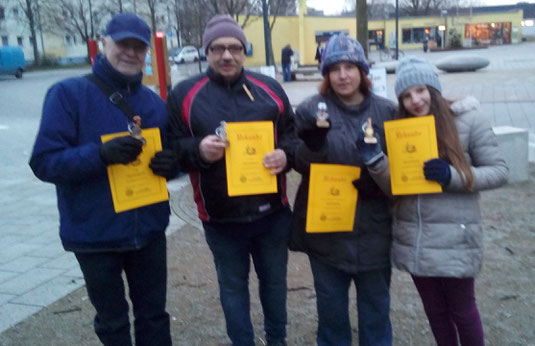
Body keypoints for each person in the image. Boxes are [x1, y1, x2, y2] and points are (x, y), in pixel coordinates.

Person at [29, 13, 178, 346]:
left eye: (139, 47)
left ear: (147, 53)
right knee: (112, 323)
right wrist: (99, 155)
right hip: (95, 235)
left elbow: (169, 159)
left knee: (154, 317)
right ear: (103, 42)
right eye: (122, 43)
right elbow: (43, 162)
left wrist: (173, 165)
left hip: (149, 231)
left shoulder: (154, 104)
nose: (130, 52)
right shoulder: (68, 94)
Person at [166, 15, 296, 346]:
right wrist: (198, 149)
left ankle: (276, 340)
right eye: (218, 48)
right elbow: (171, 151)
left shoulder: (270, 90)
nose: (227, 55)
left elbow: (293, 137)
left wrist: (287, 155)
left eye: (235, 48)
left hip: (272, 214)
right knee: (233, 288)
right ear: (207, 51)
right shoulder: (185, 94)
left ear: (244, 50)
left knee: (275, 285)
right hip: (221, 218)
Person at [361, 57, 509, 346]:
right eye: (406, 95)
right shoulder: (401, 131)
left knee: (463, 311)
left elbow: (500, 171)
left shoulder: (468, 120)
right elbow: (396, 188)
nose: (415, 100)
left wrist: (452, 176)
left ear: (433, 88)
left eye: (420, 90)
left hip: (454, 236)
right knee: (435, 312)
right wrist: (376, 161)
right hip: (415, 237)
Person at [290, 34, 397, 346]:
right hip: (328, 234)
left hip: (374, 232)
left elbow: (403, 171)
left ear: (362, 72)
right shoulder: (311, 109)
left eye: (350, 67)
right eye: (334, 68)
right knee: (332, 317)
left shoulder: (387, 111)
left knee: (376, 315)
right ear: (326, 74)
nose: (342, 75)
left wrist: (379, 183)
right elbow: (299, 163)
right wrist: (311, 148)